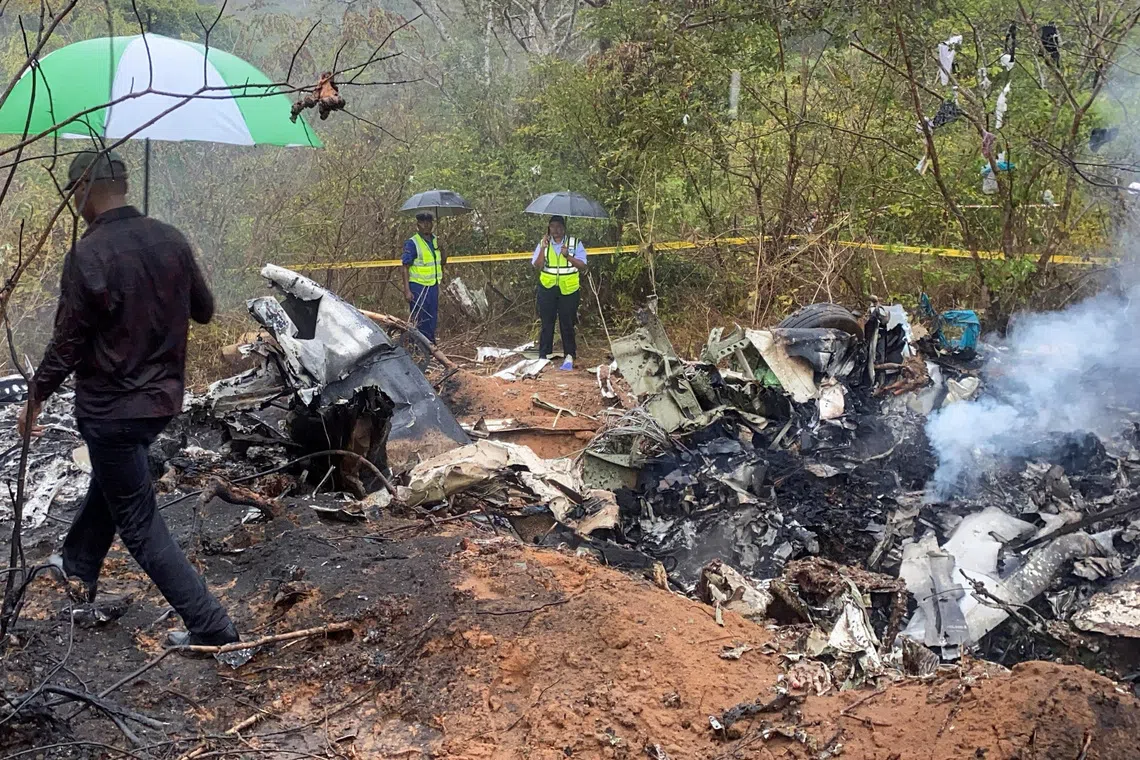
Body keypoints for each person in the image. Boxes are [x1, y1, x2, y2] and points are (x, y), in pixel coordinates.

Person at [17, 150, 239, 648]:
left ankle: (211, 626)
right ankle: (78, 562)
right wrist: (169, 271)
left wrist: (34, 397)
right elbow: (203, 310)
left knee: (137, 521)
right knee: (117, 481)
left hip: (111, 410)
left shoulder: (88, 255)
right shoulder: (172, 240)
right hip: (160, 403)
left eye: (73, 194)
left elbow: (68, 343)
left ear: (84, 190)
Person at [532, 215, 587, 370]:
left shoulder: (574, 243)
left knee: (567, 323)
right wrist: (542, 248)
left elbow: (582, 265)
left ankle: (569, 355)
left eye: (559, 227)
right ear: (548, 228)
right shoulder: (543, 243)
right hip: (547, 288)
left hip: (568, 290)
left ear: (564, 228)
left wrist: (567, 256)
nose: (556, 230)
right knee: (547, 323)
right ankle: (544, 355)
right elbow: (538, 265)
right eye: (552, 226)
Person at [402, 212, 443, 344]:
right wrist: (407, 290)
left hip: (433, 285)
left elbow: (443, 261)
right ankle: (418, 346)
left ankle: (430, 344)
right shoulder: (412, 243)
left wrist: (443, 248)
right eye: (423, 222)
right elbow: (405, 267)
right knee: (420, 318)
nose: (426, 225)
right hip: (418, 286)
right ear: (418, 225)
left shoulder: (436, 240)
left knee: (432, 317)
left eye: (429, 222)